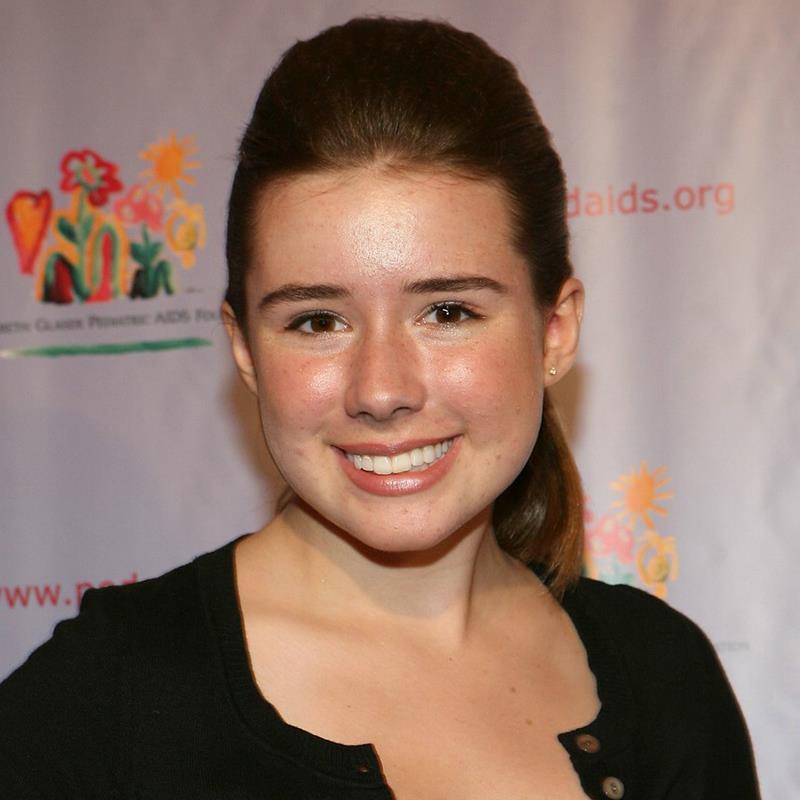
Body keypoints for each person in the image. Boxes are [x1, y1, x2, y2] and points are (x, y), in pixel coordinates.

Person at [0, 16, 760, 800]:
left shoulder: (663, 678)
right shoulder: (104, 702)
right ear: (245, 349)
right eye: (317, 321)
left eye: (448, 312)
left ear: (555, 332)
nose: (382, 390)